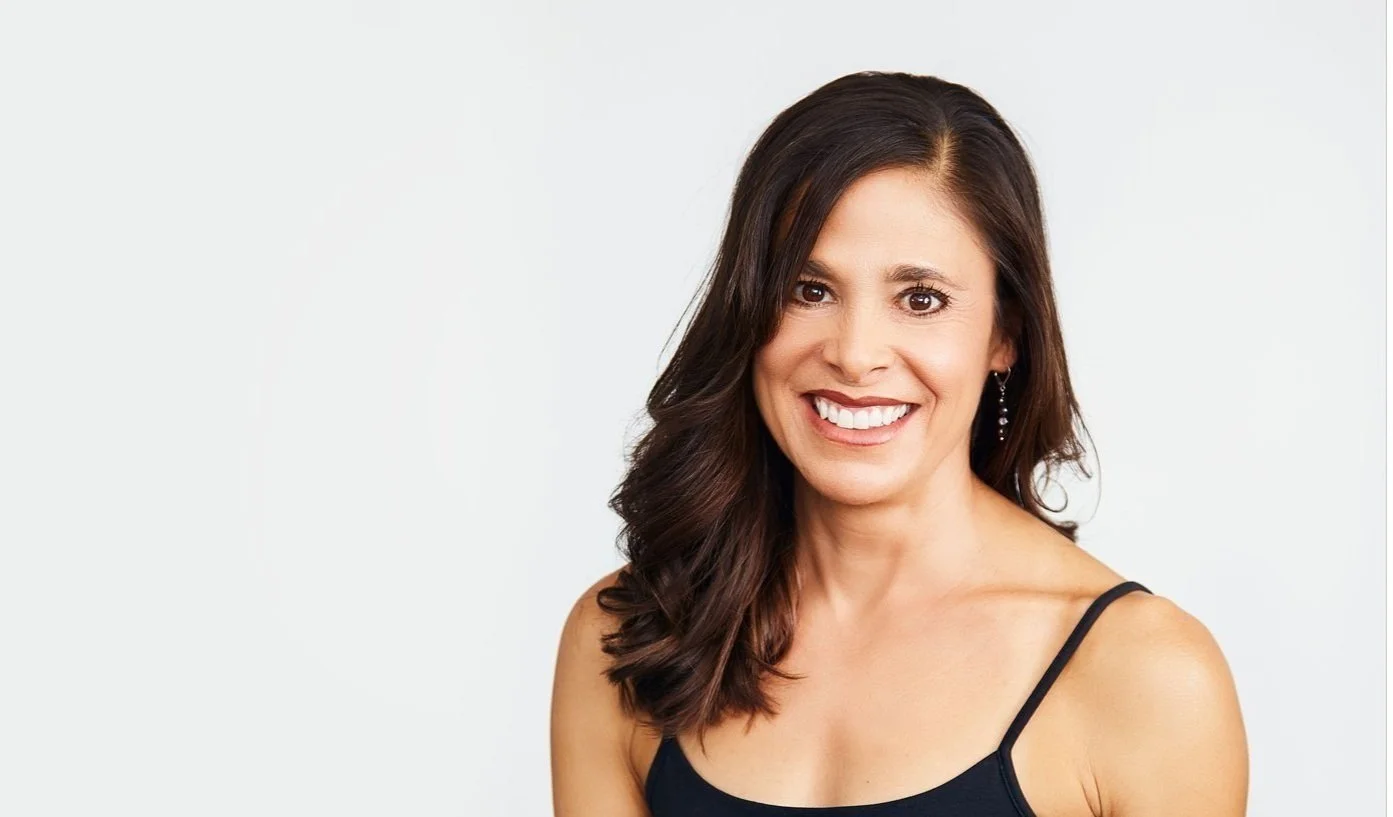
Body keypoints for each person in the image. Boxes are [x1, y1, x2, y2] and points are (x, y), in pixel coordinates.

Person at [550, 71, 1248, 816]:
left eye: (921, 299)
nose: (855, 355)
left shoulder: (1145, 676)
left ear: (1005, 334)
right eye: (809, 290)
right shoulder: (627, 638)